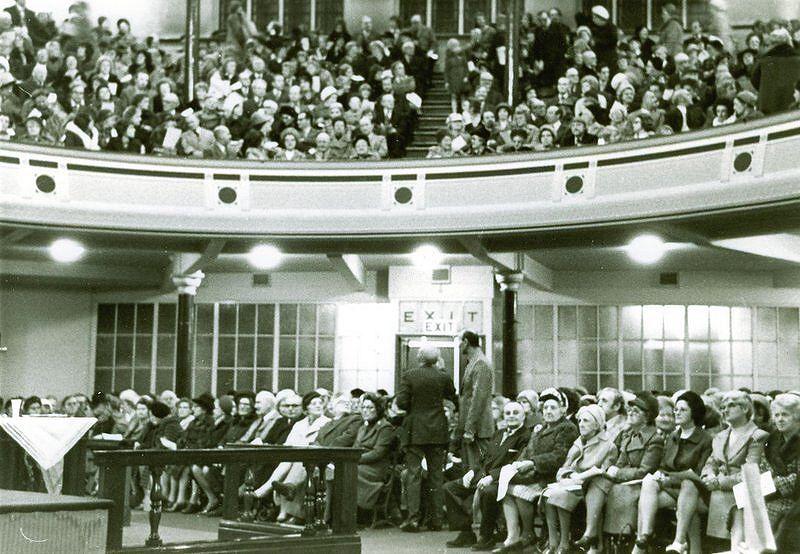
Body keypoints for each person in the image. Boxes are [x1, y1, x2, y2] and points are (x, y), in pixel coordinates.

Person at [494, 388, 578, 552]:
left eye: (553, 408)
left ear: (563, 409)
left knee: (518, 490)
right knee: (507, 488)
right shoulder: (541, 428)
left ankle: (528, 535)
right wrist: (518, 464)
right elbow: (528, 451)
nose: (548, 411)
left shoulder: (567, 428)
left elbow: (559, 456)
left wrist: (532, 463)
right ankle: (515, 536)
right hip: (536, 474)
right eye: (545, 408)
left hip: (551, 476)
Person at [632, 391, 712, 554]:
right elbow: (664, 465)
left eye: (683, 410)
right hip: (673, 489)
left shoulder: (705, 439)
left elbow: (698, 475)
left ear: (694, 412)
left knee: (688, 485)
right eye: (676, 409)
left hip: (696, 492)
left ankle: (678, 541)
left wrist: (669, 477)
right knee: (649, 481)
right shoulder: (674, 435)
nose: (677, 413)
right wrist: (661, 474)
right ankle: (644, 535)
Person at [444, 401, 531, 549]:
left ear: (524, 416)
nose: (511, 416)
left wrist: (492, 477)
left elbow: (516, 463)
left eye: (516, 413)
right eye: (508, 413)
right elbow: (484, 458)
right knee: (449, 488)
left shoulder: (525, 436)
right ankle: (466, 532)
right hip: (482, 476)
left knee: (488, 492)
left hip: (502, 479)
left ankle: (486, 536)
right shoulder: (499, 433)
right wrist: (472, 472)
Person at [582, 391, 664, 548]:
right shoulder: (628, 435)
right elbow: (620, 462)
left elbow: (644, 470)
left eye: (636, 411)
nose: (631, 412)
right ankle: (591, 534)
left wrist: (618, 472)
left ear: (647, 416)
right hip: (624, 481)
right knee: (596, 481)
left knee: (615, 491)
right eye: (630, 409)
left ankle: (613, 540)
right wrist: (613, 469)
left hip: (638, 484)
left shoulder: (655, 439)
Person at [540, 404, 617, 554]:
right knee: (548, 494)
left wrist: (581, 477)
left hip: (592, 487)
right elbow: (563, 469)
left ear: (597, 424)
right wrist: (570, 475)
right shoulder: (578, 443)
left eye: (586, 421)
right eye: (580, 420)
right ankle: (553, 543)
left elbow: (605, 472)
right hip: (572, 484)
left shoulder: (608, 446)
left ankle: (563, 543)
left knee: (560, 496)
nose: (581, 424)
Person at [396, 345, 456, 532]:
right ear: (437, 359)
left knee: (413, 474)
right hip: (437, 428)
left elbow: (401, 402)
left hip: (415, 429)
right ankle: (436, 519)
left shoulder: (410, 375)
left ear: (419, 357)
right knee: (436, 476)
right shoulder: (443, 376)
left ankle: (413, 519)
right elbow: (452, 397)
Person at [701, 391, 769, 551]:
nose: (725, 410)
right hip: (716, 489)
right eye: (723, 406)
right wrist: (708, 475)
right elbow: (710, 462)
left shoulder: (758, 435)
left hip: (737, 491)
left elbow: (751, 471)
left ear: (745, 409)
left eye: (731, 405)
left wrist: (719, 482)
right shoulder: (720, 435)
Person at [760, 393, 800, 533]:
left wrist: (771, 484)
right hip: (772, 493)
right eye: (776, 415)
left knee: (769, 510)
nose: (780, 419)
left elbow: (797, 479)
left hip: (795, 497)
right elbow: (763, 468)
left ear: (796, 416)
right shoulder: (772, 439)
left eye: (785, 415)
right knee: (739, 506)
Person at [457, 330, 495, 470]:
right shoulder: (474, 363)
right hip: (474, 427)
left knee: (478, 471)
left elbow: (478, 398)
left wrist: (469, 429)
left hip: (478, 429)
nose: (459, 346)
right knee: (470, 472)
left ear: (466, 342)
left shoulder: (481, 364)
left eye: (459, 341)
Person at [352, 392, 395, 514]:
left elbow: (378, 453)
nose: (365, 411)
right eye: (363, 407)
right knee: (336, 471)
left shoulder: (385, 428)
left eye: (370, 408)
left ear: (378, 409)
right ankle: (330, 516)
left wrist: (354, 460)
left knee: (347, 472)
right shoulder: (362, 428)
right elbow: (355, 448)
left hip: (376, 468)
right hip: (360, 464)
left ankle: (350, 515)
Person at [752, 27, 800, 115]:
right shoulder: (798, 60)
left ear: (772, 44)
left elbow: (754, 80)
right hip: (793, 107)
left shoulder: (764, 61)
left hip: (768, 106)